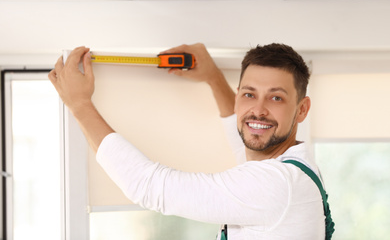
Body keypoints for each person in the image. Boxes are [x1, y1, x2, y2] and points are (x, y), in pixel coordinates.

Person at [49, 43, 333, 239]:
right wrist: (213, 78)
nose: (258, 109)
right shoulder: (293, 168)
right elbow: (244, 143)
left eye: (276, 97)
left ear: (302, 109)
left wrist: (80, 104)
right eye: (248, 94)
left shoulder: (276, 185)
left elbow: (149, 186)